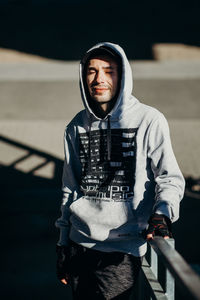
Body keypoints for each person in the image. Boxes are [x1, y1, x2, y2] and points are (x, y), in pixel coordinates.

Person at [55, 42, 185, 299]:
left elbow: (169, 178)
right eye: (91, 71)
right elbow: (70, 187)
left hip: (122, 250)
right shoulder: (76, 126)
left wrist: (162, 215)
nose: (99, 79)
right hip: (79, 244)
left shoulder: (149, 119)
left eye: (109, 70)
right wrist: (63, 243)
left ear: (123, 74)